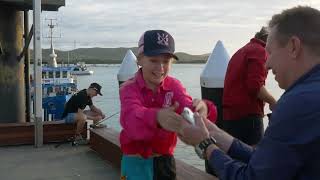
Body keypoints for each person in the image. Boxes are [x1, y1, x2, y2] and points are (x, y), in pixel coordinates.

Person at [174, 6, 320, 179]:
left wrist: (204, 144)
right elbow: (269, 163)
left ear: (293, 47)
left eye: (270, 53)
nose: (267, 64)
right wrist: (216, 134)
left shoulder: (298, 103)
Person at [119, 30, 217, 180]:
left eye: (165, 61)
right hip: (135, 162)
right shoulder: (128, 88)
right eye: (153, 60)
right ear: (139, 60)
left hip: (165, 161)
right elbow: (130, 118)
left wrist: (204, 108)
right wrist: (157, 117)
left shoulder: (174, 86)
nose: (160, 68)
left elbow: (188, 107)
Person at [222, 26, 277, 146]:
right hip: (248, 116)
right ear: (269, 39)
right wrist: (273, 102)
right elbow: (255, 86)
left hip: (231, 116)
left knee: (235, 157)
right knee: (254, 157)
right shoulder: (260, 51)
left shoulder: (242, 50)